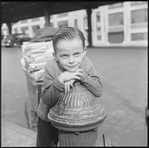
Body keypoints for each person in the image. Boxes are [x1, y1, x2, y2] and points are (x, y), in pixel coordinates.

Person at [36, 26, 103, 147]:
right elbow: (46, 99)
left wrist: (80, 76)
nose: (72, 61)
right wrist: (60, 80)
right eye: (64, 56)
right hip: (47, 119)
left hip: (73, 119)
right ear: (55, 55)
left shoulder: (86, 63)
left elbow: (98, 90)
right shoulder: (51, 66)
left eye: (76, 54)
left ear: (84, 51)